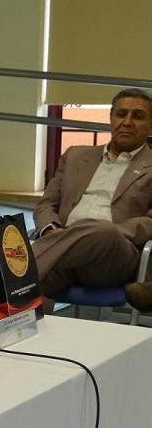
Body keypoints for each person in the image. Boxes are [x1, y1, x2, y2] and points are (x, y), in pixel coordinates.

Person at [32, 88, 152, 308]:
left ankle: (12, 270)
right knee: (28, 289)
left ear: (150, 125)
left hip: (114, 256)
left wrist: (109, 230)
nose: (127, 122)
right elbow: (47, 204)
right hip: (65, 253)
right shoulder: (75, 155)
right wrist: (51, 230)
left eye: (137, 116)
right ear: (111, 119)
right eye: (121, 114)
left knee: (101, 230)